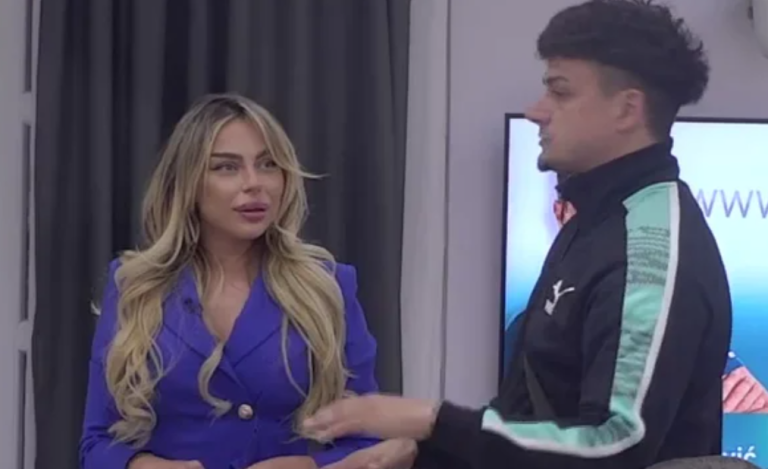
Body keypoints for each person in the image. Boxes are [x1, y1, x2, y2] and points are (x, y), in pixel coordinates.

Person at [301, 1, 733, 469]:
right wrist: (422, 453)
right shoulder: (593, 220)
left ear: (626, 109)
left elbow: (615, 444)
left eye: (560, 92)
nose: (536, 111)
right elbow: (532, 413)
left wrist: (430, 421)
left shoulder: (649, 249)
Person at [79, 93, 380, 469]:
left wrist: (307, 467)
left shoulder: (328, 286)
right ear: (188, 183)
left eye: (268, 164)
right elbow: (97, 443)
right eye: (227, 167)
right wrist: (144, 466)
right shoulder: (135, 286)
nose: (255, 184)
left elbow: (369, 441)